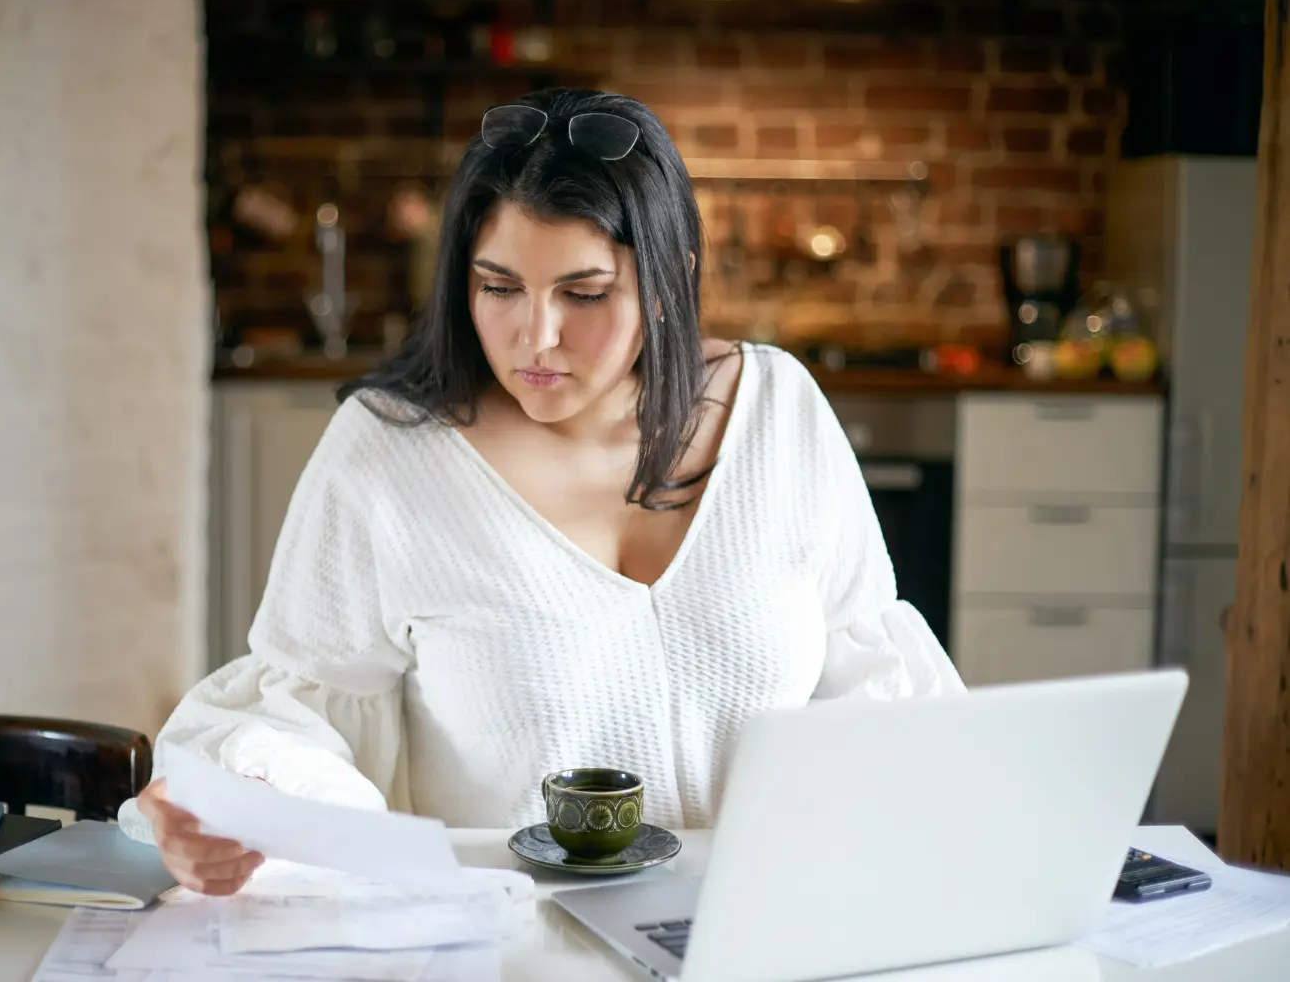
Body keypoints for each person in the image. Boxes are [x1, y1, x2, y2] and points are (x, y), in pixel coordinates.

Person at [122, 88, 963, 895]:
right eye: (499, 288)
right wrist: (230, 804)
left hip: (759, 933)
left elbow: (875, 692)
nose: (537, 336)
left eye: (584, 293)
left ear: (671, 280)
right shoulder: (388, 453)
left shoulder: (779, 412)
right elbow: (298, 710)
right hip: (505, 945)